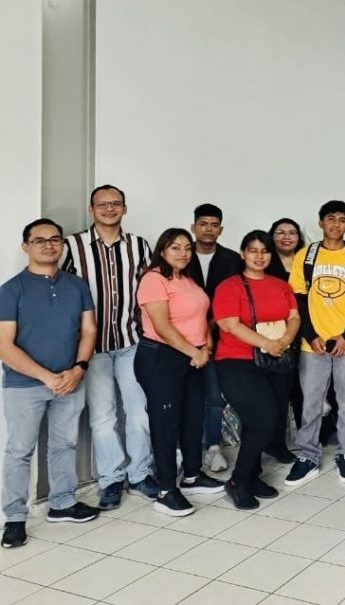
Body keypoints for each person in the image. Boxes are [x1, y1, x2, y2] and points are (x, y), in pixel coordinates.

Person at [1, 219, 99, 549]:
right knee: (19, 451)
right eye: (40, 240)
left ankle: (62, 503)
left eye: (55, 239)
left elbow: (89, 330)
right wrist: (46, 377)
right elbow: (4, 346)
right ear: (26, 246)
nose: (49, 245)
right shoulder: (11, 289)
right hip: (24, 385)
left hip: (71, 380)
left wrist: (78, 369)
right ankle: (15, 518)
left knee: (64, 444)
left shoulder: (77, 285)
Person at [62, 185, 159, 510]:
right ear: (91, 210)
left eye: (116, 203)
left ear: (124, 209)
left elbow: (150, 289)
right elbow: (60, 291)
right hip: (92, 348)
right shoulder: (72, 246)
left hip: (131, 342)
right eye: (102, 204)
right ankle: (111, 479)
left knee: (139, 413)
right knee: (102, 417)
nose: (109, 208)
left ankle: (140, 474)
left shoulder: (139, 245)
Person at [135, 228, 225, 518]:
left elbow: (201, 317)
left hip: (192, 357)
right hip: (161, 357)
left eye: (187, 248)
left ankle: (192, 475)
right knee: (166, 423)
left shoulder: (186, 278)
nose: (183, 253)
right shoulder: (153, 279)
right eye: (175, 247)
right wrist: (194, 352)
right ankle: (165, 491)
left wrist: (206, 345)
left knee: (193, 418)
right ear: (162, 250)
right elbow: (163, 327)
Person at [285, 200, 345, 488]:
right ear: (321, 222)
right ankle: (308, 456)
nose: (336, 224)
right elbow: (298, 299)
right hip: (314, 345)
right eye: (330, 218)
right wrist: (311, 336)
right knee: (310, 403)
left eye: (342, 219)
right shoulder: (305, 256)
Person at [213, 231, 301, 510]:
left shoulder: (280, 285)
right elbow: (229, 324)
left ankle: (252, 475)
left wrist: (284, 342)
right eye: (253, 250)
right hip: (237, 361)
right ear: (242, 254)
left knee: (266, 422)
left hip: (276, 360)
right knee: (262, 419)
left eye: (264, 251)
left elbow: (294, 317)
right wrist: (267, 343)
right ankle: (238, 481)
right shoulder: (229, 287)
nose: (259, 256)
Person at [185, 203, 242, 474]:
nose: (208, 229)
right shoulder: (181, 255)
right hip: (182, 338)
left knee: (213, 395)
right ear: (193, 227)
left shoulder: (232, 260)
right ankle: (182, 449)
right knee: (182, 395)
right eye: (203, 224)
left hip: (219, 338)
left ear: (221, 229)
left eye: (214, 225)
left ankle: (213, 447)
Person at [265, 216, 305, 463]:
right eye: (280, 232)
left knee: (304, 389)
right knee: (278, 392)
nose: (287, 237)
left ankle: (307, 437)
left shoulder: (307, 261)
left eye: (292, 232)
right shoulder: (265, 262)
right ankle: (276, 443)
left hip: (307, 333)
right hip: (275, 336)